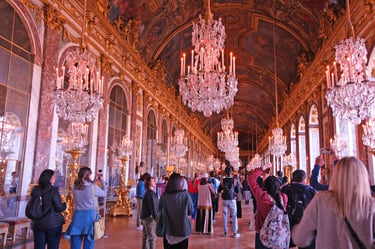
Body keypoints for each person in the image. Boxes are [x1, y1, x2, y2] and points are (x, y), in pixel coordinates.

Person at [292, 157, 375, 248]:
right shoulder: (372, 205)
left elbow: (300, 238)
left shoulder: (321, 200)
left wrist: (294, 229)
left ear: (336, 176)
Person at [65, 167, 107, 249]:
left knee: (75, 244)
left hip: (77, 216)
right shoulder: (93, 187)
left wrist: (93, 182)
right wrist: (101, 181)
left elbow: (85, 187)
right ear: (87, 175)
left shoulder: (74, 186)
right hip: (90, 217)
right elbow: (104, 193)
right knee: (89, 243)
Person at [248, 168, 288, 249]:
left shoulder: (262, 198)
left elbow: (250, 178)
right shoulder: (284, 197)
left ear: (264, 187)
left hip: (262, 232)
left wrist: (262, 169)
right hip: (277, 233)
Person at [30, 169, 66, 249]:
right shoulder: (53, 190)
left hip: (37, 223)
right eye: (53, 176)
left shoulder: (35, 189)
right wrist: (64, 205)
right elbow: (59, 207)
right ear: (49, 178)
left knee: (39, 247)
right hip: (52, 224)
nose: (55, 178)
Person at [281, 170, 316, 249]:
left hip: (288, 220)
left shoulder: (285, 189)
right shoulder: (310, 190)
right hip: (304, 221)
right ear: (304, 179)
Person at [159, 173, 193, 249]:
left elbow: (159, 208)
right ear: (179, 183)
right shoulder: (185, 196)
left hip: (168, 230)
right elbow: (190, 211)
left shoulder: (164, 196)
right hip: (182, 230)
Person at [218, 161, 240, 238]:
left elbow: (219, 189)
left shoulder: (222, 180)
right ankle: (235, 232)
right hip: (232, 199)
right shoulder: (234, 180)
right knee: (234, 215)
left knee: (224, 215)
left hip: (224, 199)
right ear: (231, 172)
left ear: (225, 172)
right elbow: (237, 190)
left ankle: (225, 232)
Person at [141, 176, 158, 249]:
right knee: (152, 238)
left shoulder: (147, 192)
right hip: (149, 217)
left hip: (144, 216)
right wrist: (156, 218)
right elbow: (153, 206)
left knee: (145, 237)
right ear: (149, 183)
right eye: (153, 181)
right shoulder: (150, 193)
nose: (155, 182)